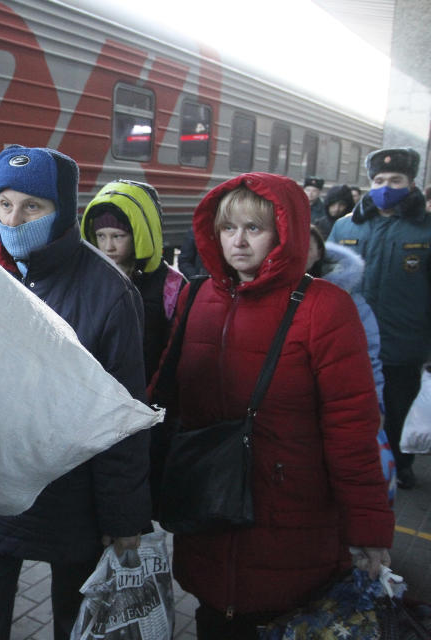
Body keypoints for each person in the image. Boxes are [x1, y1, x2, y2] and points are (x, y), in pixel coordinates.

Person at [156, 172, 394, 639]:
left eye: (254, 228)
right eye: (228, 228)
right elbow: (166, 394)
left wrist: (367, 527)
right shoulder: (198, 295)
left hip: (289, 515)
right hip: (210, 509)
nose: (238, 241)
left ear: (285, 232)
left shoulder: (325, 307)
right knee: (214, 617)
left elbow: (352, 428)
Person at [0, 146, 150, 640]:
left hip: (72, 499)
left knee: (77, 620)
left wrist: (123, 518)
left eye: (32, 206)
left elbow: (122, 417)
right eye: (4, 203)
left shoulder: (110, 294)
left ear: (62, 209)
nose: (13, 218)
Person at [330, 147, 431, 490]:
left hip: (405, 341)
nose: (386, 186)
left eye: (395, 179)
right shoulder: (345, 226)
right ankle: (356, 465)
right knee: (352, 406)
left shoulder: (425, 231)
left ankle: (400, 464)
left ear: (411, 183)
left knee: (398, 408)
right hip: (350, 339)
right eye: (379, 180)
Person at [307, 227, 397, 504]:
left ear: (319, 251)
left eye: (305, 245)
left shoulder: (349, 301)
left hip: (334, 409)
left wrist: (376, 404)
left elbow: (369, 359)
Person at [80, 180, 186, 382]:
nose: (108, 246)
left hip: (150, 390)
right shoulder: (89, 280)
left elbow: (175, 351)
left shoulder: (171, 286)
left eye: (118, 236)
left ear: (140, 235)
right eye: (101, 236)